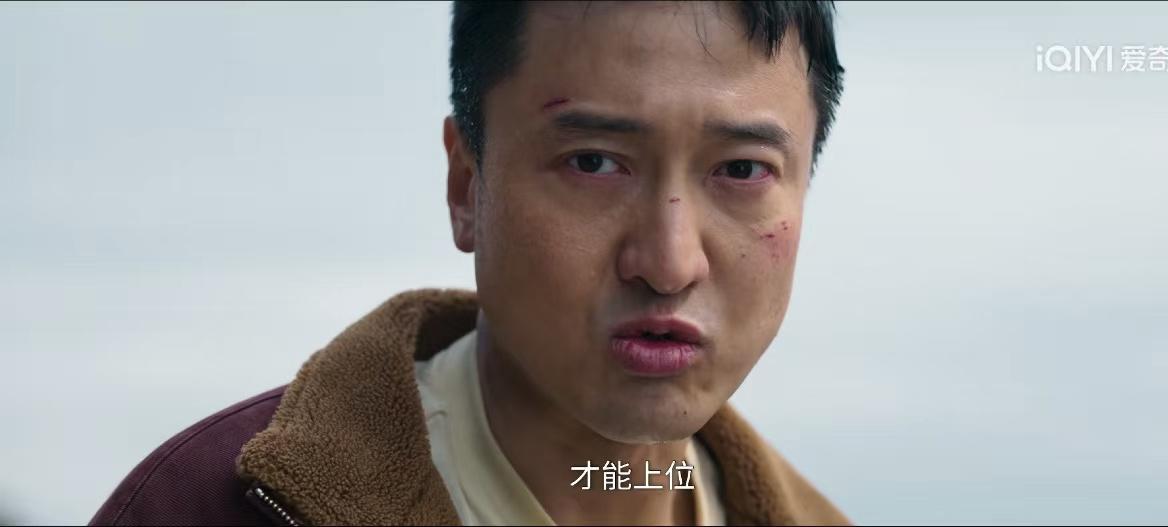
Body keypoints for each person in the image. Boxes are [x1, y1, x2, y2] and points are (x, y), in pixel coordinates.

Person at [90, 1, 848, 525]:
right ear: (465, 185)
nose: (668, 263)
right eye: (593, 161)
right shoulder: (197, 509)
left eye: (741, 170)